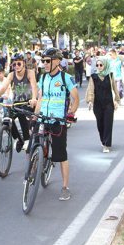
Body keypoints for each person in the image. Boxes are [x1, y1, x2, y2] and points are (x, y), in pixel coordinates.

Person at [29, 48, 80, 201]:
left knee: (61, 155)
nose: (44, 64)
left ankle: (65, 187)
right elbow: (41, 98)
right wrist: (34, 118)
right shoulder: (43, 78)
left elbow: (76, 99)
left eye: (47, 61)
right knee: (34, 145)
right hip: (43, 118)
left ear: (57, 61)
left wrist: (71, 113)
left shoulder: (66, 78)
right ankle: (33, 172)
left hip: (58, 120)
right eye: (43, 61)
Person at [0, 52, 37, 149]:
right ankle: (17, 138)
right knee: (6, 119)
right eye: (14, 64)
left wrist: (34, 98)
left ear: (24, 63)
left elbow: (34, 86)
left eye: (19, 63)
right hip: (17, 102)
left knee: (21, 113)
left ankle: (26, 139)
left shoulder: (30, 73)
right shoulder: (11, 75)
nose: (16, 66)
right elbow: (4, 88)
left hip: (28, 102)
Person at [86, 57, 120, 153]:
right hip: (97, 103)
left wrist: (116, 100)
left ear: (105, 65)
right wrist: (90, 101)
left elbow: (114, 88)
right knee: (100, 123)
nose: (99, 67)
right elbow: (91, 89)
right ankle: (103, 139)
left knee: (108, 123)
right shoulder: (94, 77)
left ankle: (106, 144)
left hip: (108, 103)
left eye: (101, 65)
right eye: (97, 65)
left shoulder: (110, 75)